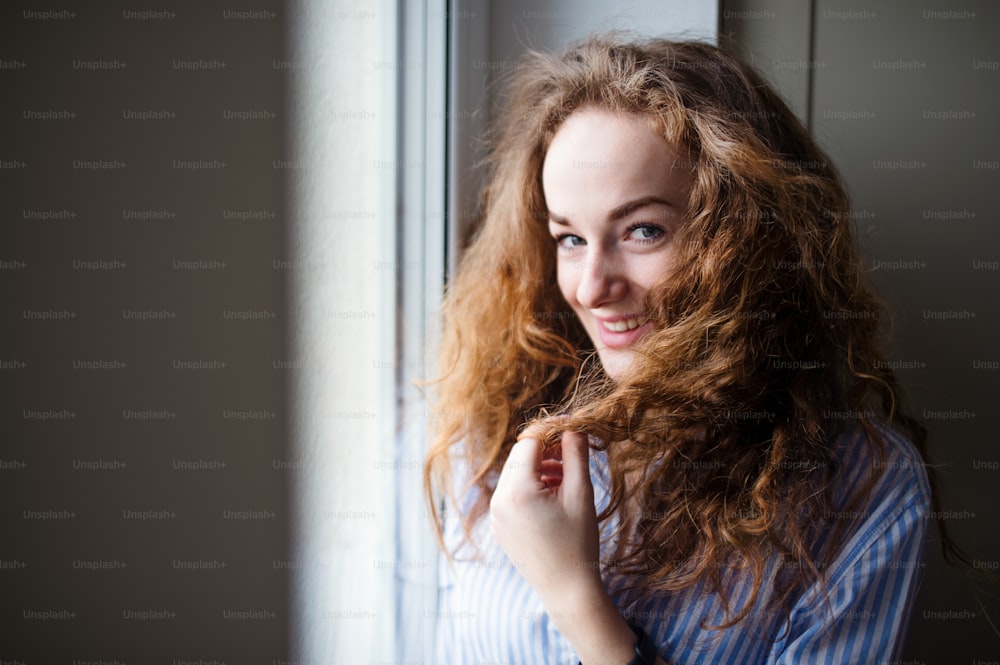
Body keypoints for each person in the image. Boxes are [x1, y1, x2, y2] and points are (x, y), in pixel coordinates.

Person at [423, 36, 950, 664]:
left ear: (746, 237)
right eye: (569, 238)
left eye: (643, 230)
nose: (592, 288)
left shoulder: (861, 491)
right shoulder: (498, 428)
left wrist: (577, 602)